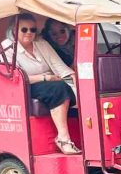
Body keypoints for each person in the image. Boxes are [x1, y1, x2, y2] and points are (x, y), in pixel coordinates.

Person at [5, 13, 79, 154]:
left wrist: (76, 80)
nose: (29, 33)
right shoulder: (8, 48)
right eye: (24, 29)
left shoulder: (41, 44)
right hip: (25, 86)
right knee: (59, 88)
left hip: (50, 82)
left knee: (81, 89)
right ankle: (63, 139)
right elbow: (16, 77)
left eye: (33, 30)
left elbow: (60, 67)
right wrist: (45, 77)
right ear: (14, 30)